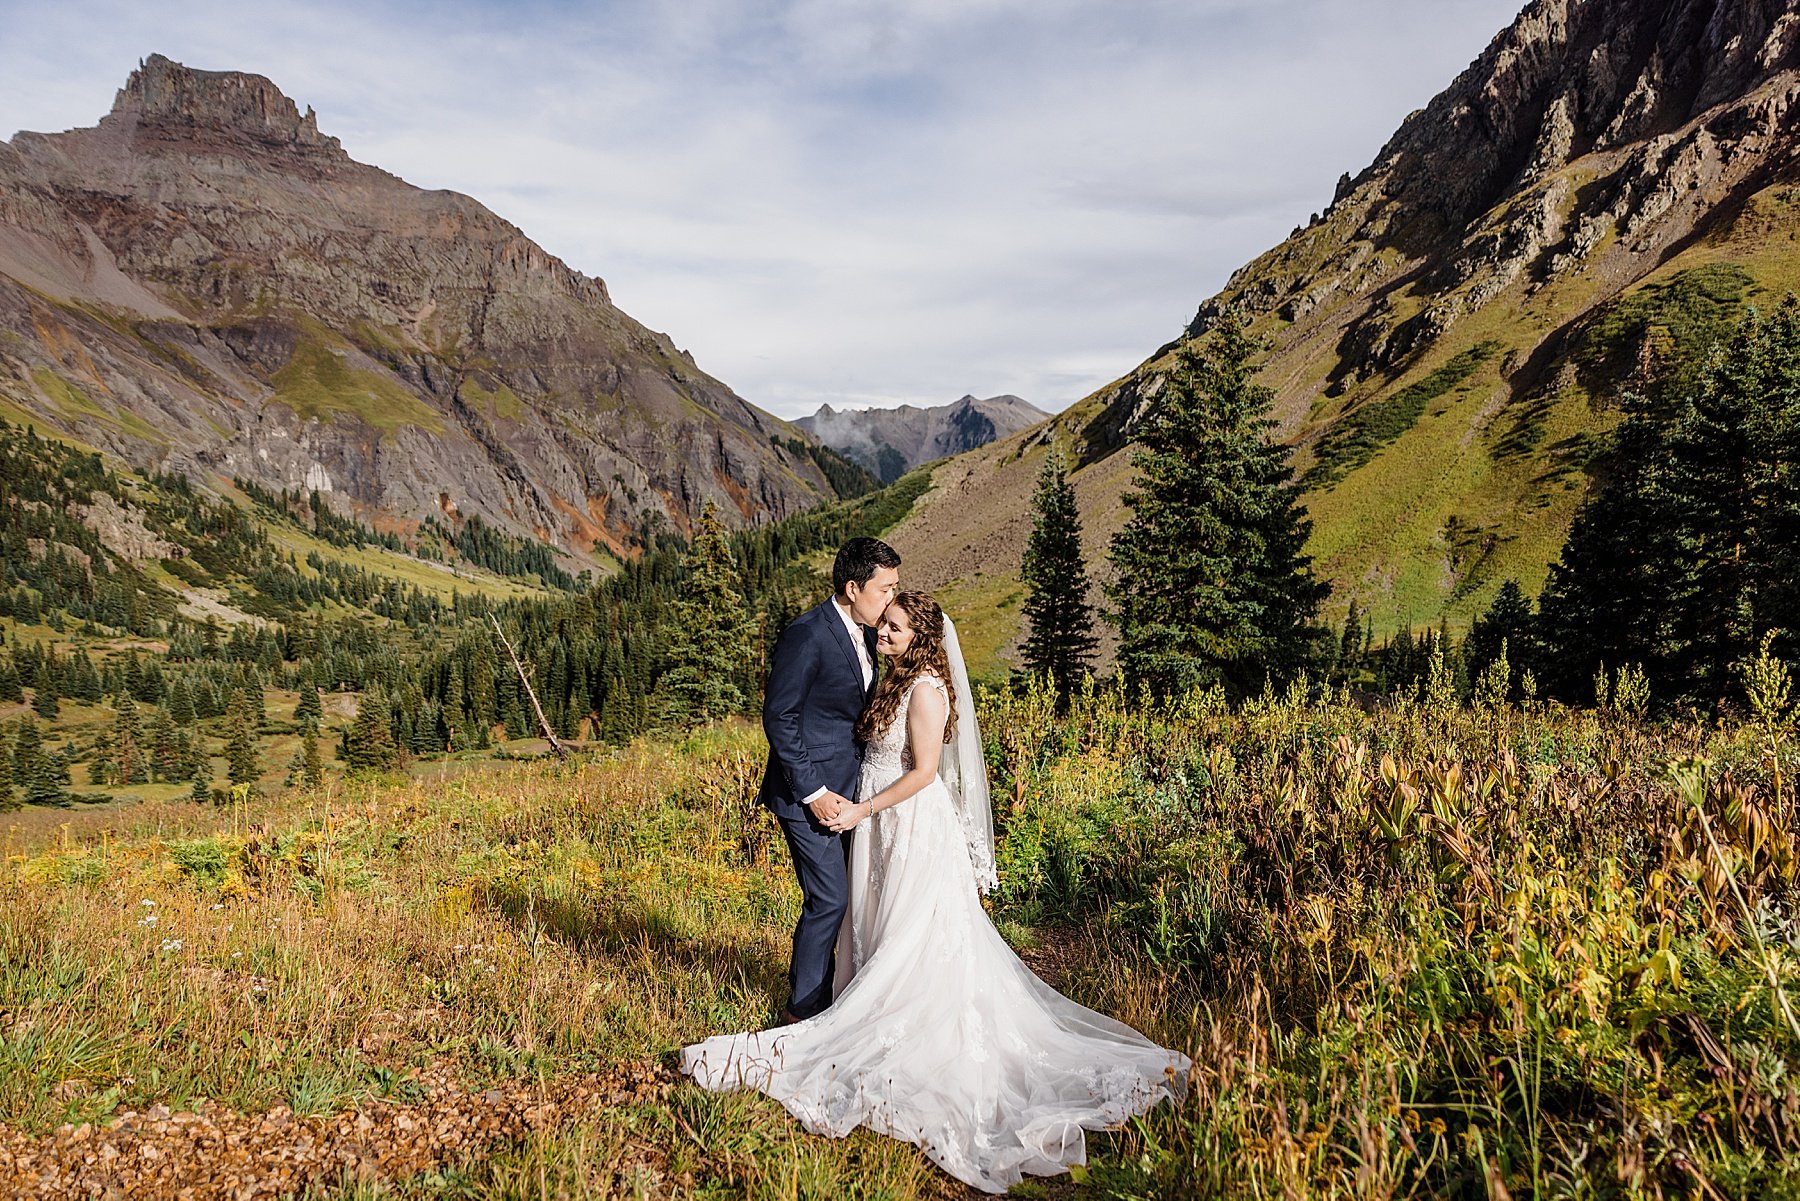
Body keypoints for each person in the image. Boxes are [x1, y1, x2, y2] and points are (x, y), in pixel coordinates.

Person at [682, 590, 1189, 1194]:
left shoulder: (926, 690)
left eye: (894, 629)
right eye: (883, 625)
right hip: (877, 826)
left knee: (913, 934)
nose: (883, 635)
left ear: (922, 637)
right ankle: (856, 1001)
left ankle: (897, 1024)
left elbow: (923, 774)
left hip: (909, 825)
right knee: (875, 922)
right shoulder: (897, 679)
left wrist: (862, 809)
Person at [756, 536, 901, 1025]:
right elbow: (780, 717)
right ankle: (803, 1012)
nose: (891, 599)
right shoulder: (808, 633)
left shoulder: (867, 631)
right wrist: (814, 793)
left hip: (851, 792)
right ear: (853, 586)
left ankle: (834, 992)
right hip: (808, 794)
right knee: (830, 899)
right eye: (885, 589)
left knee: (846, 897)